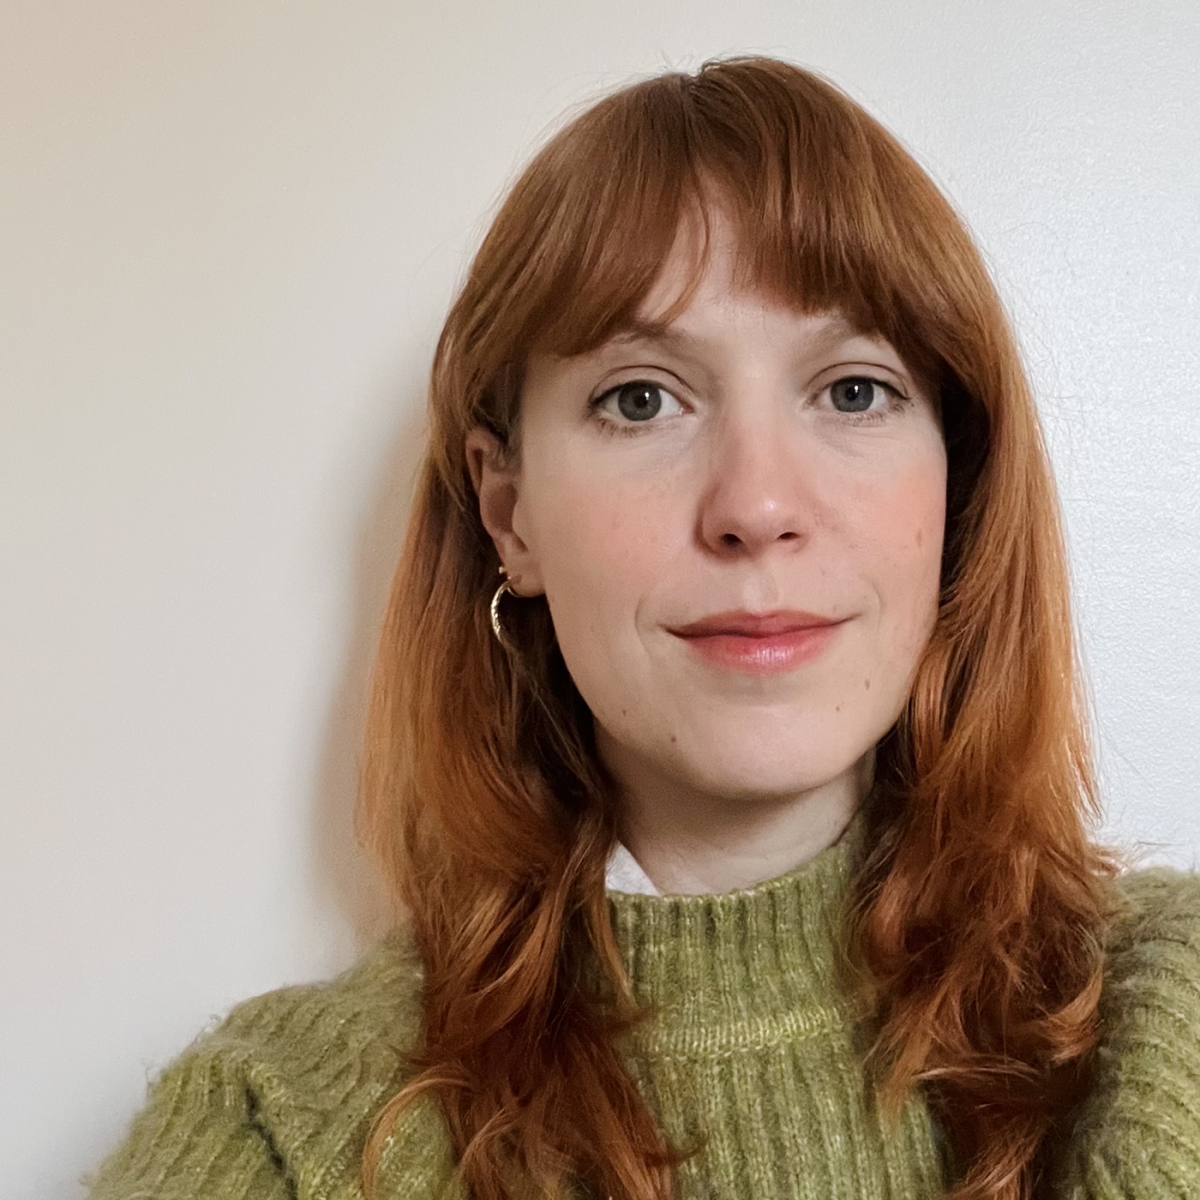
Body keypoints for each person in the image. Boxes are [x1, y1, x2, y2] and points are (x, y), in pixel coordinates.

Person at [86, 56, 1200, 1200]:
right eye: (641, 398)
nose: (756, 506)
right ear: (510, 515)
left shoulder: (1173, 1022)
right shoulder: (280, 1132)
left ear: (956, 488)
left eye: (853, 390)